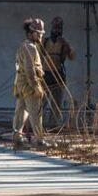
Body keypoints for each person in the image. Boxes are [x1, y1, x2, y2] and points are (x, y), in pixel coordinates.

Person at [13, 17, 47, 148]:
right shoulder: (31, 47)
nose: (40, 36)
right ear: (31, 33)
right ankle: (39, 140)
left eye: (41, 34)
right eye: (38, 33)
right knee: (36, 112)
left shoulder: (23, 46)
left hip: (20, 85)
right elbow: (29, 69)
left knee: (20, 112)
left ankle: (17, 138)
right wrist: (36, 86)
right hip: (29, 86)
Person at [41, 16, 75, 130]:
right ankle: (38, 124)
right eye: (55, 27)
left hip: (58, 74)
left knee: (56, 102)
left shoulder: (64, 43)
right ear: (51, 28)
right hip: (45, 74)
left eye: (59, 28)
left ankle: (53, 125)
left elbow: (72, 56)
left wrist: (66, 45)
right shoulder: (44, 41)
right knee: (42, 100)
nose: (57, 30)